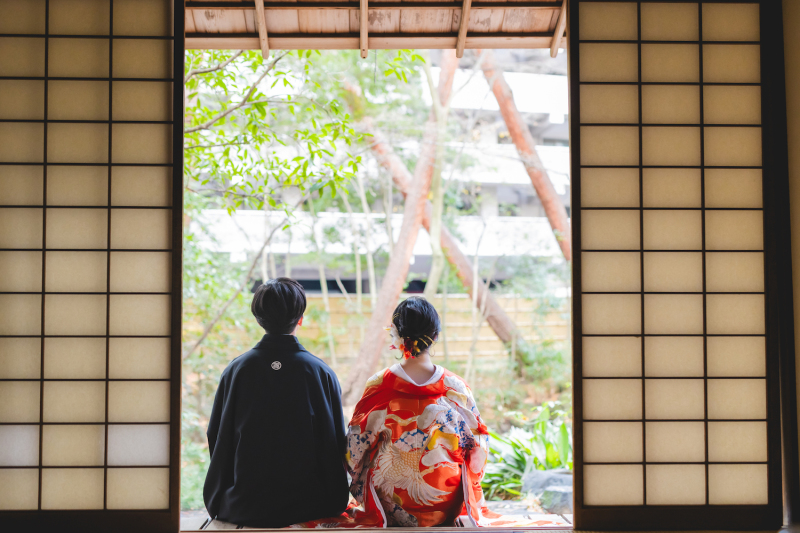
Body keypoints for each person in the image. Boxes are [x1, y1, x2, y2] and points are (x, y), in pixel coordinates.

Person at [203, 278, 350, 528]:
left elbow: (216, 435)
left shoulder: (237, 370)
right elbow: (336, 442)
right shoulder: (319, 372)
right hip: (311, 504)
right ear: (300, 319)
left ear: (258, 319)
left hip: (241, 503)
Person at [342, 296, 495, 527]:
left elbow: (355, 449)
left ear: (397, 336)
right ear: (435, 337)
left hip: (389, 508)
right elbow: (478, 447)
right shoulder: (456, 388)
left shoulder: (380, 385)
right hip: (447, 505)